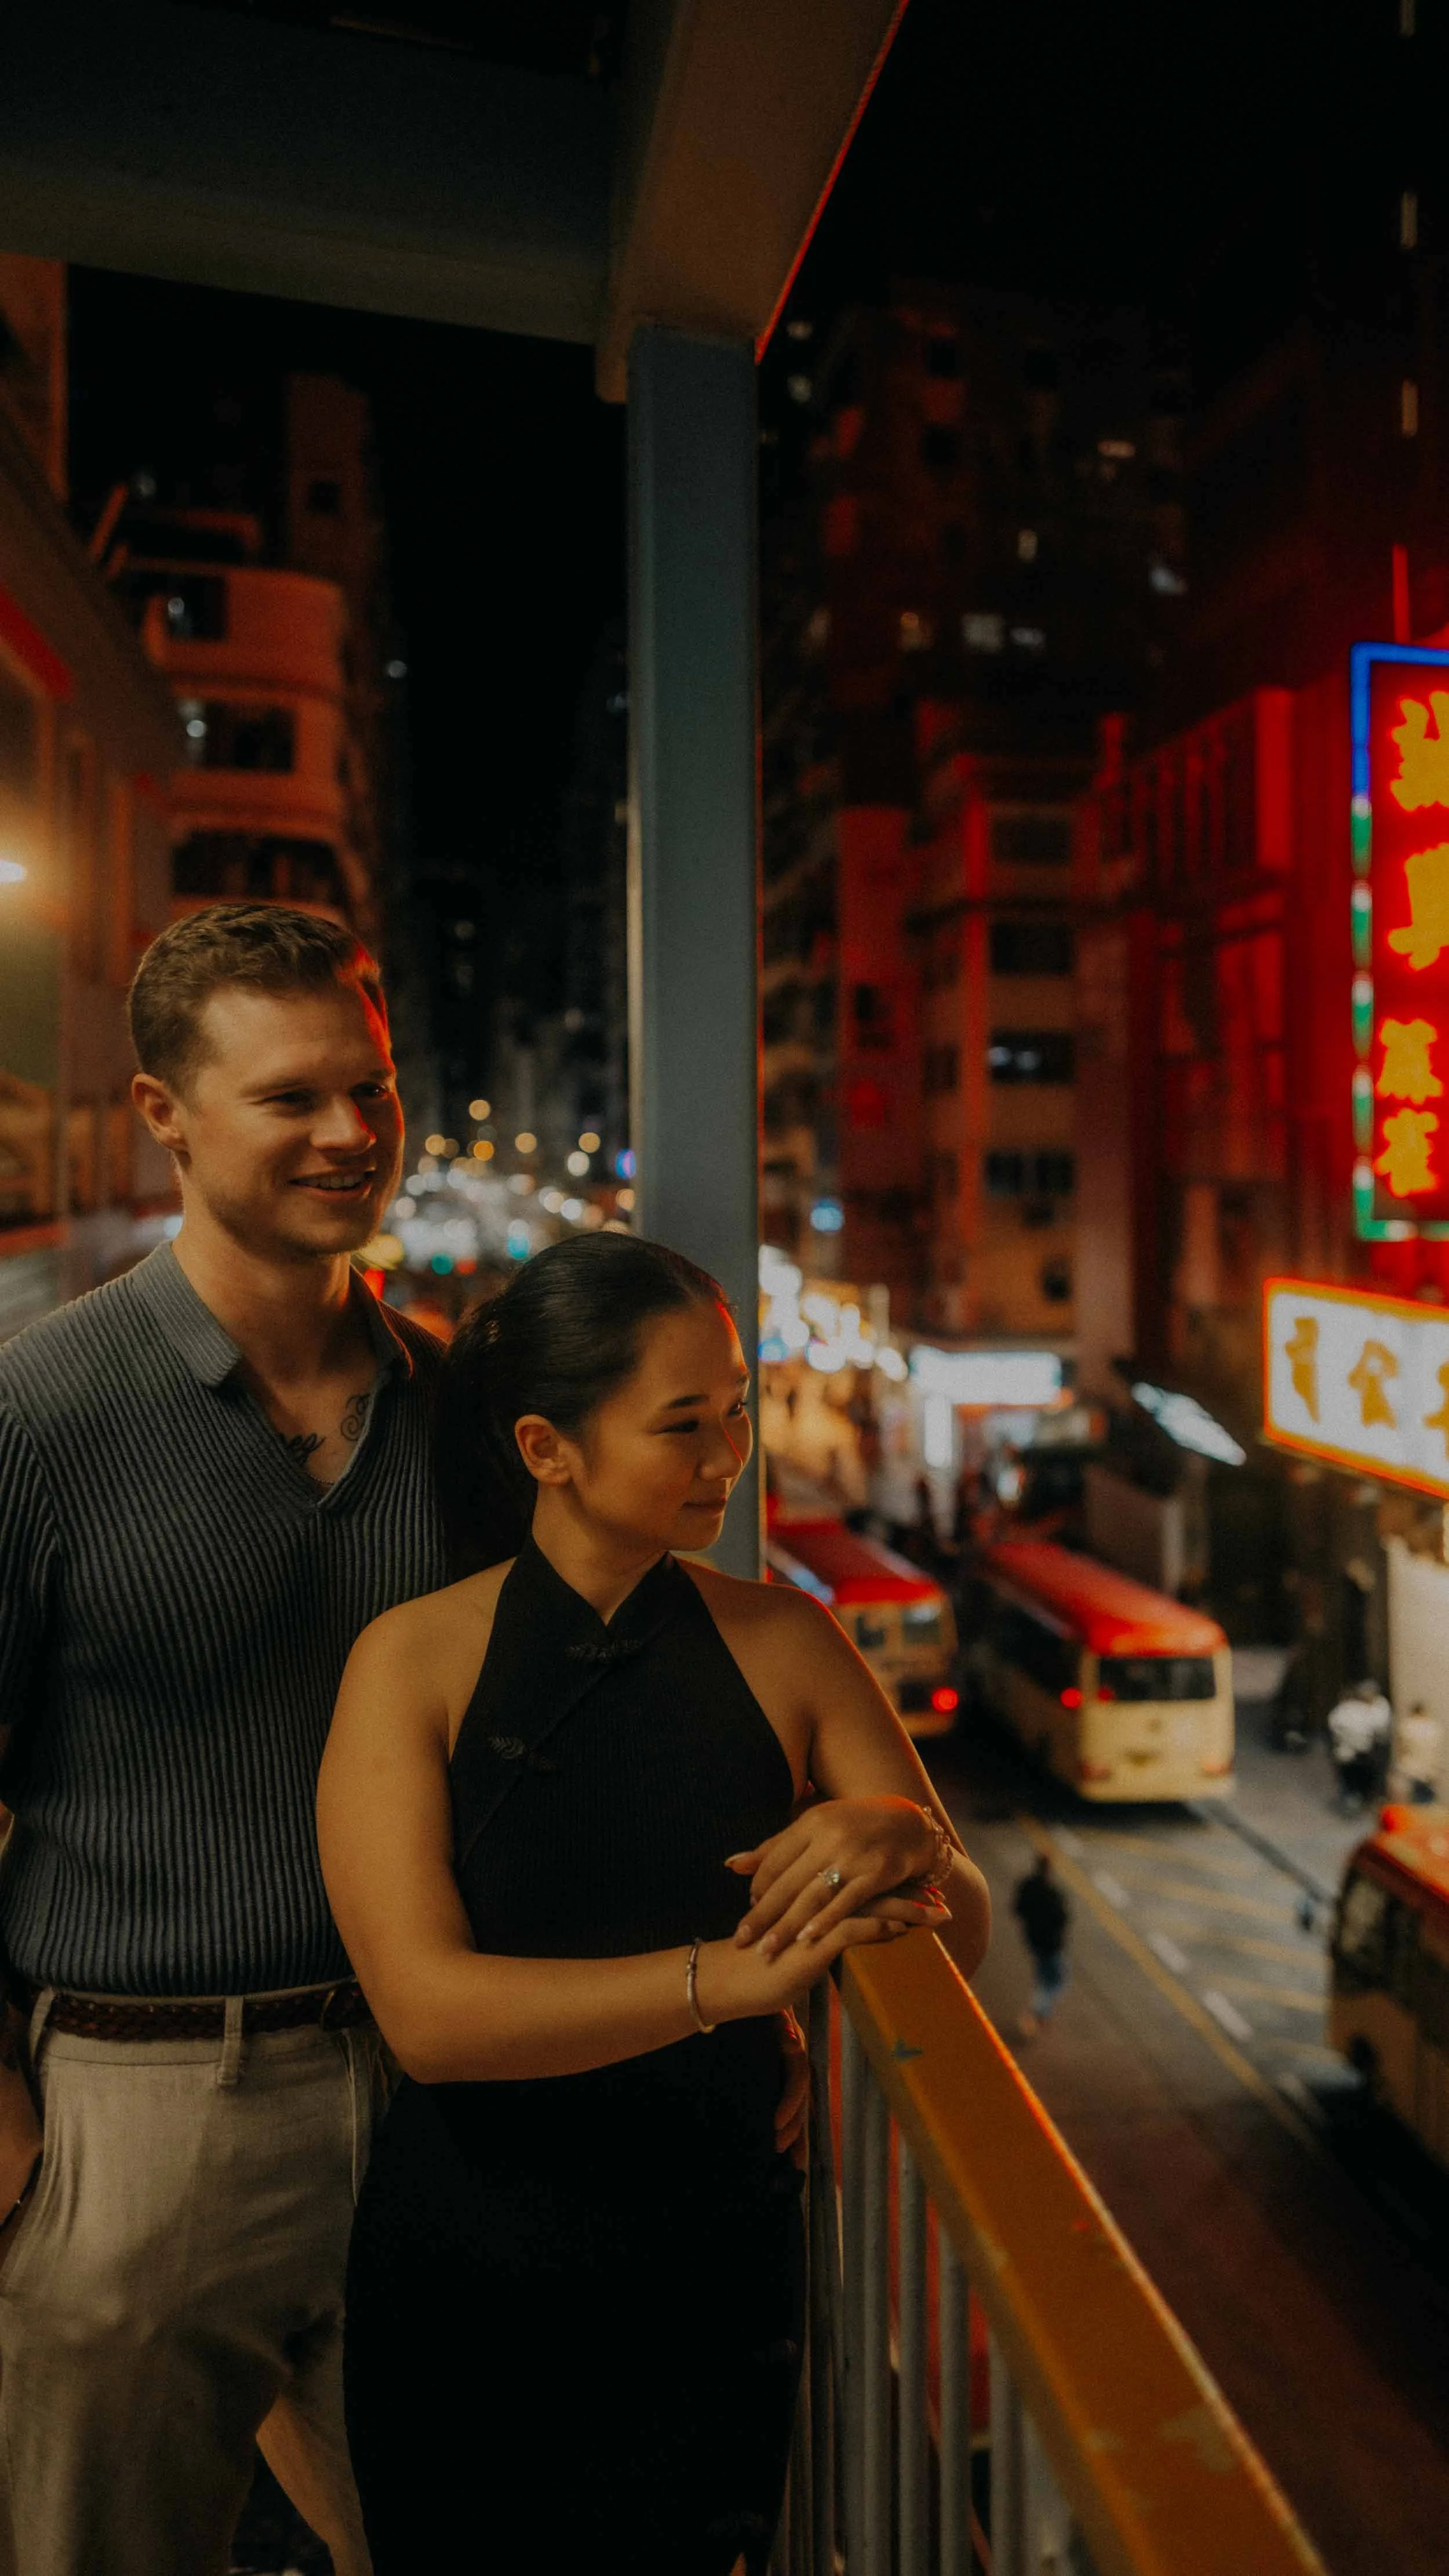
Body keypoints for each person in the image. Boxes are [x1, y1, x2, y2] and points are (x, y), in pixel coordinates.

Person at [318, 1235, 992, 2576]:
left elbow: (960, 1920)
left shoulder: (786, 1638)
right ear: (546, 1446)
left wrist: (902, 1834)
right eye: (682, 1423)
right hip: (477, 2261)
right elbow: (429, 2015)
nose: (728, 1451)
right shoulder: (413, 1660)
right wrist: (728, 1984)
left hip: (715, 2249)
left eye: (736, 1404)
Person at [0, 904, 449, 2576]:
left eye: (372, 1086)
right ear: (163, 1115)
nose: (350, 1132)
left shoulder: (460, 1417)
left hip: (430, 2105)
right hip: (136, 2106)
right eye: (290, 1098)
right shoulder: (38, 1415)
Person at [1012, 1853, 1071, 2039]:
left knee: (1045, 1976)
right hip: (1051, 1943)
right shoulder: (1053, 1893)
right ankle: (1037, 2013)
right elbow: (1062, 1918)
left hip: (1033, 1939)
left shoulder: (1027, 1886)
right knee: (1056, 1980)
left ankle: (1041, 2012)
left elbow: (1018, 1909)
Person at [1326, 1678, 1393, 1814]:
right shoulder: (1351, 1710)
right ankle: (1353, 1803)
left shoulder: (1379, 1706)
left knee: (1363, 1779)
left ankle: (1363, 1801)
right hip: (1351, 1752)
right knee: (1350, 1780)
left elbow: (1377, 1727)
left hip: (1368, 1751)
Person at [1394, 1700, 1442, 1805]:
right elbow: (1436, 1751)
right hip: (1430, 1771)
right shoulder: (1433, 1727)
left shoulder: (1406, 1726)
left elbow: (1401, 1748)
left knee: (1414, 1804)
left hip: (1411, 1770)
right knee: (1429, 1803)